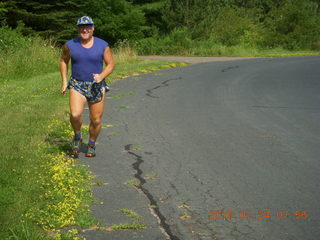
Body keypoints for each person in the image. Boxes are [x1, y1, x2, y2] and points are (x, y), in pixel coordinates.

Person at [60, 16, 115, 157]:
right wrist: (65, 81)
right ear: (78, 28)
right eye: (82, 27)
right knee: (75, 114)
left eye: (88, 27)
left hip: (96, 86)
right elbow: (63, 61)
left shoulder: (102, 45)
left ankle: (91, 143)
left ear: (93, 28)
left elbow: (111, 64)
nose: (85, 29)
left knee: (95, 119)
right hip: (77, 84)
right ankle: (77, 136)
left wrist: (102, 76)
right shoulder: (70, 45)